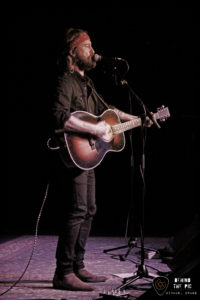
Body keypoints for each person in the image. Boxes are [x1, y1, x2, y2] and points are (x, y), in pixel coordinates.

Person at [51, 27, 152, 291]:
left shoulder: (87, 83)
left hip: (89, 157)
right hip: (73, 155)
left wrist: (140, 119)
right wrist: (96, 129)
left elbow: (110, 112)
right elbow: (61, 116)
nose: (93, 52)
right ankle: (63, 271)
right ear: (74, 51)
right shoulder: (66, 80)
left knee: (90, 209)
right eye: (88, 46)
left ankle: (78, 265)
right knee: (77, 210)